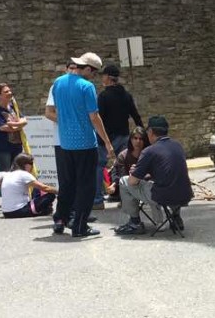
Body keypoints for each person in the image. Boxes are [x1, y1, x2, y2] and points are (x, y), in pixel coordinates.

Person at [49, 52, 114, 238]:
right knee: (86, 186)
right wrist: (107, 142)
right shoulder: (87, 87)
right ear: (87, 69)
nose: (93, 76)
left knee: (68, 184)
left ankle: (61, 219)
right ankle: (80, 226)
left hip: (65, 143)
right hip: (85, 143)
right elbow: (94, 117)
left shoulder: (58, 83)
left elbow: (58, 111)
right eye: (93, 72)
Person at [114, 116, 193, 234]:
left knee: (124, 181)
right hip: (185, 195)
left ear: (150, 132)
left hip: (163, 197)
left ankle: (134, 223)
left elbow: (132, 182)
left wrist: (135, 173)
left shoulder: (149, 151)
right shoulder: (178, 146)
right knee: (171, 182)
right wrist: (147, 171)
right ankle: (175, 217)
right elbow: (166, 171)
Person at [95, 64, 143, 207]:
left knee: (98, 165)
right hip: (123, 136)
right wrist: (142, 133)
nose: (102, 78)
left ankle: (97, 200)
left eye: (103, 75)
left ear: (109, 78)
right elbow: (135, 115)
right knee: (124, 166)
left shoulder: (103, 96)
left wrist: (101, 138)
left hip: (106, 138)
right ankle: (126, 198)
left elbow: (99, 118)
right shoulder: (126, 95)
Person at [0, 153, 57, 218]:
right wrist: (61, 192)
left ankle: (42, 210)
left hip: (6, 212)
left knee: (36, 189)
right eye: (31, 164)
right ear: (26, 165)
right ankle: (43, 210)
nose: (32, 167)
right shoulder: (24, 174)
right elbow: (45, 188)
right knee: (50, 195)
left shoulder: (8, 174)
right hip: (19, 210)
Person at [0, 83, 28, 172]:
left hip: (17, 146)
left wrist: (13, 125)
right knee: (5, 173)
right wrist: (19, 126)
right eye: (6, 92)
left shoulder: (13, 107)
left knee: (16, 172)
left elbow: (25, 120)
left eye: (10, 91)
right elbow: (3, 127)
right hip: (2, 148)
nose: (10, 93)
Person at [108, 126, 147, 199]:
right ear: (131, 140)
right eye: (135, 138)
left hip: (145, 185)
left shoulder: (149, 154)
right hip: (128, 186)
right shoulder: (123, 156)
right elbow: (122, 176)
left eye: (141, 139)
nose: (138, 141)